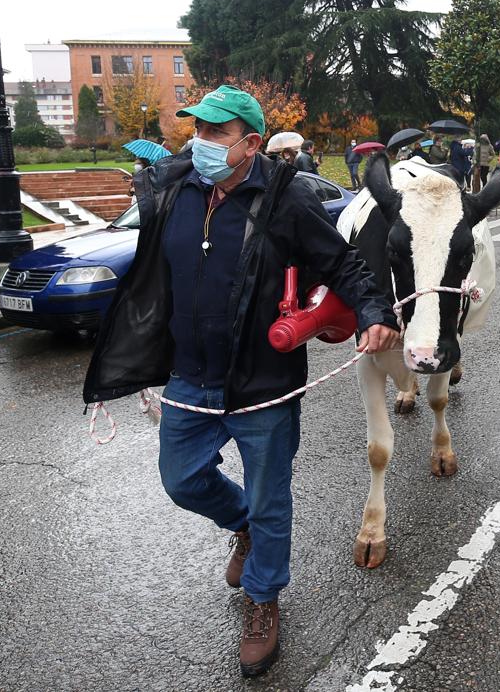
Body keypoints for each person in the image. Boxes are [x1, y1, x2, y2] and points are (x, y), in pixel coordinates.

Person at [81, 86, 399, 677]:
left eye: (215, 133)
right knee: (182, 481)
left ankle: (262, 599)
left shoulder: (287, 200)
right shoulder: (174, 192)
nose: (200, 142)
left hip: (263, 382)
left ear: (250, 144)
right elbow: (150, 270)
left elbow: (343, 262)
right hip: (190, 376)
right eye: (196, 131)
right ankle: (242, 527)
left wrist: (376, 313)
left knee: (270, 499)